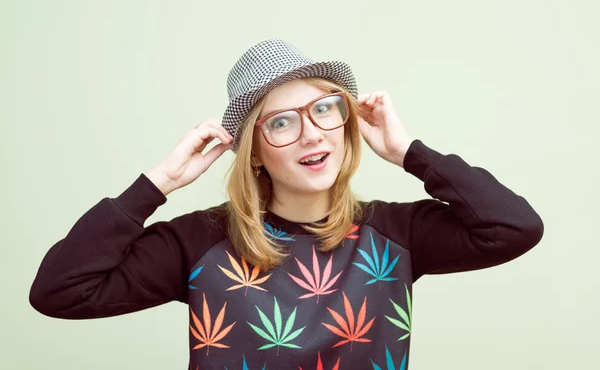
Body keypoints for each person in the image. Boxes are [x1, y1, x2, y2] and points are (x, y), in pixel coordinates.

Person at [29, 38, 544, 370]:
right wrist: (158, 183)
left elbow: (515, 226)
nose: (310, 134)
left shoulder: (396, 234)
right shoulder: (200, 242)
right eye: (280, 122)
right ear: (252, 151)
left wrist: (409, 153)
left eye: (324, 109)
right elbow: (60, 291)